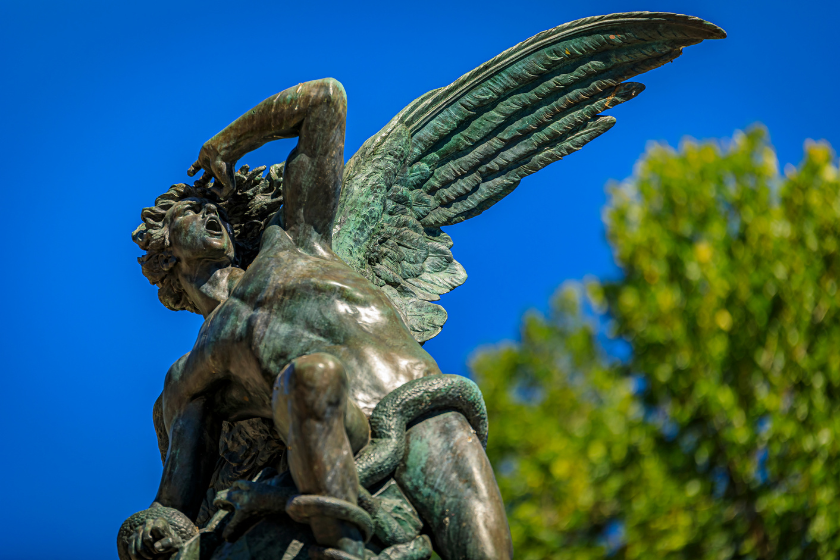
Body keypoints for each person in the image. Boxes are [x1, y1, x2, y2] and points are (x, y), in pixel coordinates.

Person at [128, 78, 511, 560]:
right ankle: (346, 541)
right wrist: (148, 533)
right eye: (192, 210)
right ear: (165, 254)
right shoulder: (189, 378)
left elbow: (325, 100)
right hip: (330, 438)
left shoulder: (294, 242)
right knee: (311, 378)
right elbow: (173, 507)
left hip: (422, 411)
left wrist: (227, 144)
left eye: (215, 209)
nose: (212, 215)